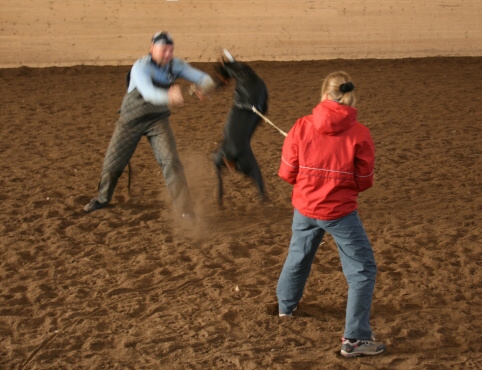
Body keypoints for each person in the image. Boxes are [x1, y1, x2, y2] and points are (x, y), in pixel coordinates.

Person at [275, 71, 386, 357]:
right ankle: (355, 339)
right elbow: (365, 180)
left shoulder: (301, 126)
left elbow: (287, 172)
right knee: (362, 271)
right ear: (349, 96)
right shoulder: (360, 133)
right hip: (340, 212)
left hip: (305, 208)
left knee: (298, 257)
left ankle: (285, 308)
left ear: (324, 94)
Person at [84, 31, 215, 222]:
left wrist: (205, 87)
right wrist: (169, 96)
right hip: (130, 120)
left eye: (171, 50)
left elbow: (203, 77)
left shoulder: (175, 65)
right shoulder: (141, 67)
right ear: (152, 49)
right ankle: (102, 198)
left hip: (157, 120)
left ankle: (185, 210)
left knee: (171, 161)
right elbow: (149, 93)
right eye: (164, 50)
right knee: (113, 165)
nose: (168, 54)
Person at [211, 49, 268, 207]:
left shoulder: (235, 70)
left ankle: (263, 196)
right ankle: (263, 196)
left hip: (248, 103)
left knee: (237, 149)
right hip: (256, 100)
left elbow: (224, 79)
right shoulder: (239, 70)